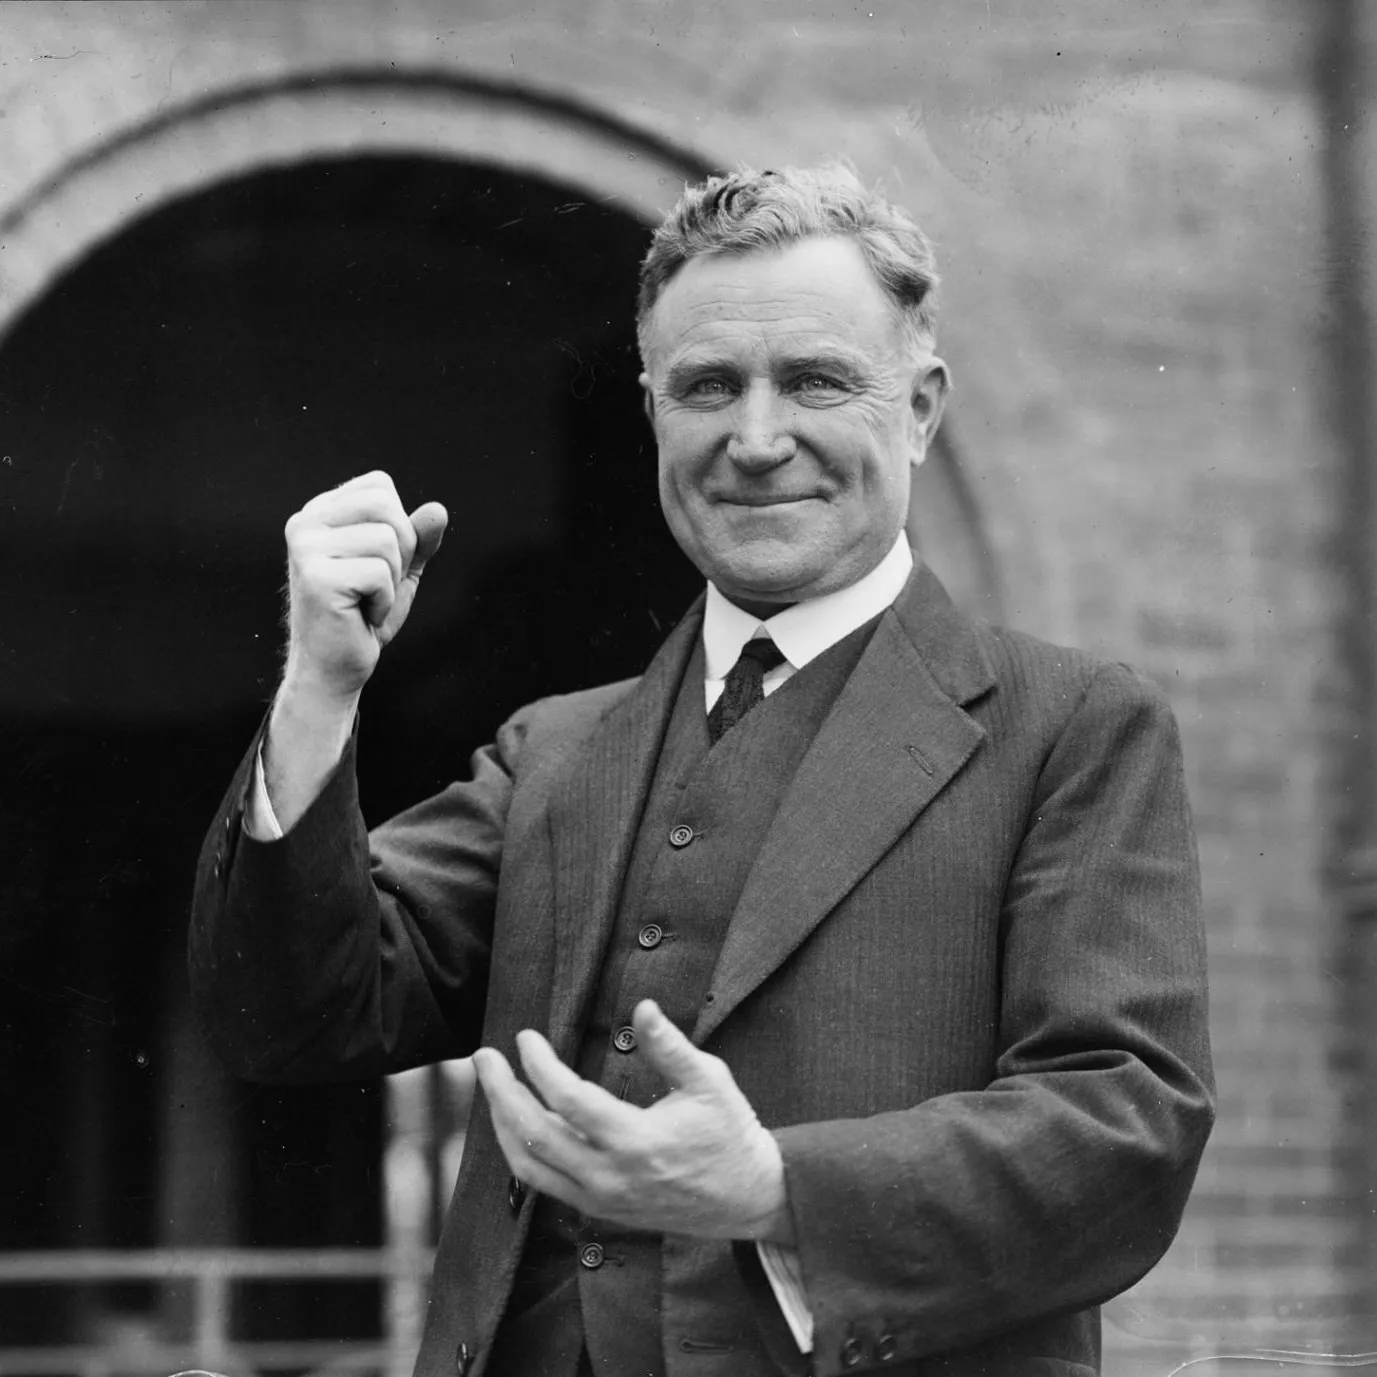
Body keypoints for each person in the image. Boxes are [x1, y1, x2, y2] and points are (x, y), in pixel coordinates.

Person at [190, 163, 1214, 1377]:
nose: (757, 438)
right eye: (708, 387)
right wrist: (321, 686)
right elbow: (294, 1014)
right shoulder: (555, 751)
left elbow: (1125, 1128)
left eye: (818, 381)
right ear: (653, 412)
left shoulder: (1071, 730)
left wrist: (779, 1190)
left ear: (923, 408)